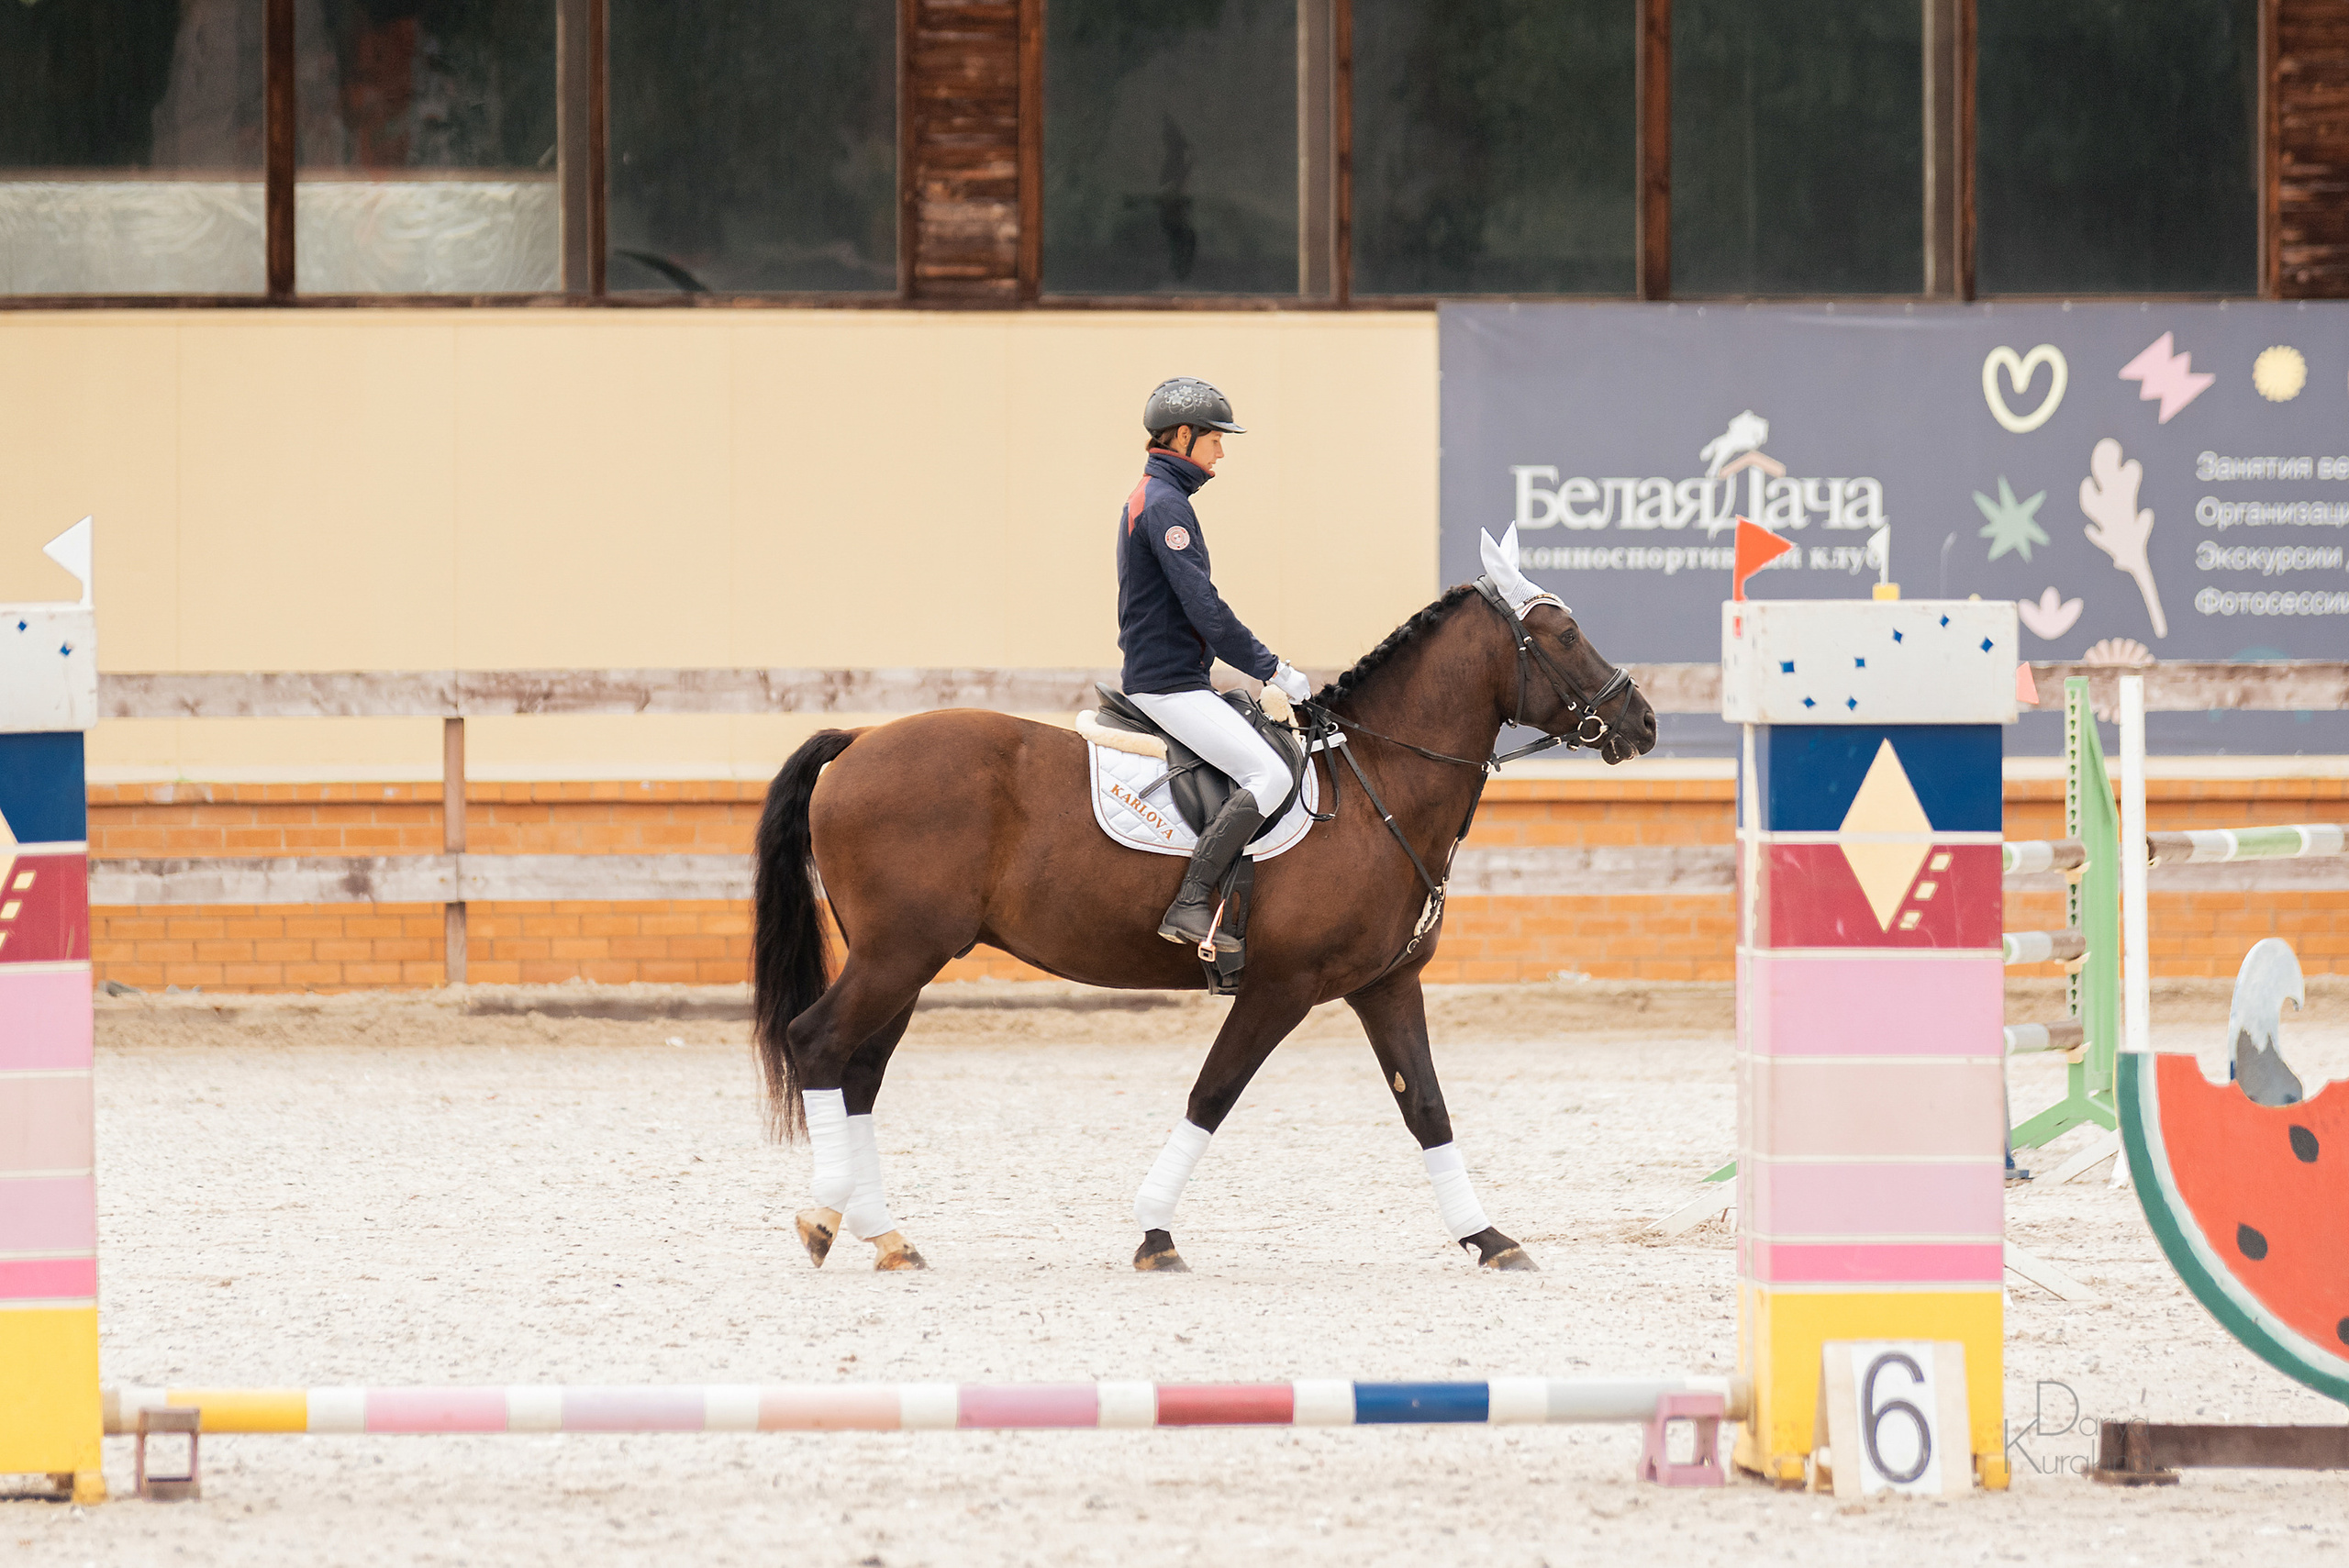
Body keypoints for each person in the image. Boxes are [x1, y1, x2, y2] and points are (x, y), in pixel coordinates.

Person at [1115, 376, 1313, 952]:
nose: (1221, 451)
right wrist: (1270, 668)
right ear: (1182, 436)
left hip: (1180, 680)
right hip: (1168, 686)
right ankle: (1192, 901)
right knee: (1271, 775)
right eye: (1214, 439)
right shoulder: (1164, 505)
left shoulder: (1157, 497)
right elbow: (1204, 607)